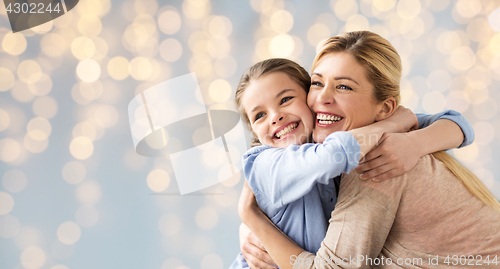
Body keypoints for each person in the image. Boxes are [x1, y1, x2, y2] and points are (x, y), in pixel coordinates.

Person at [237, 31, 500, 269]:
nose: (323, 98)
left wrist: (254, 220)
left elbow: (456, 122)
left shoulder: (381, 159)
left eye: (344, 87)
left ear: (384, 108)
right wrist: (397, 124)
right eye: (317, 83)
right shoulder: (364, 138)